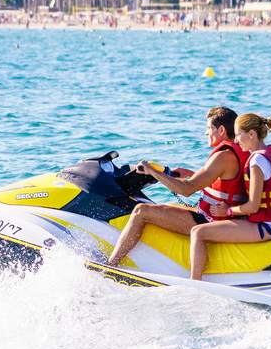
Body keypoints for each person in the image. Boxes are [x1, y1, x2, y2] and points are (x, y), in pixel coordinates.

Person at [107, 107, 250, 267]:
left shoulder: (223, 156)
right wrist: (190, 173)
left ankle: (112, 264)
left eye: (209, 128)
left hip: (213, 219)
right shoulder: (240, 150)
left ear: (221, 130)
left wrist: (152, 171)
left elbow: (186, 189)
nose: (205, 133)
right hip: (221, 213)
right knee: (167, 205)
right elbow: (226, 182)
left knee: (141, 211)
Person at [188, 113, 271, 280]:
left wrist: (227, 212)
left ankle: (194, 285)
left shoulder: (257, 161)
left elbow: (252, 206)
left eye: (238, 135)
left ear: (251, 134)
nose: (236, 141)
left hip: (268, 227)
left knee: (198, 232)